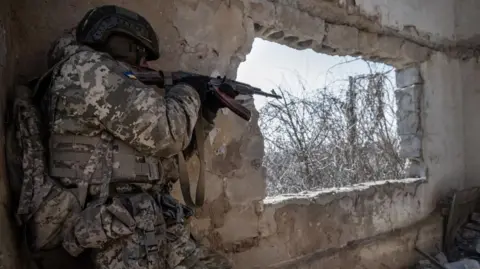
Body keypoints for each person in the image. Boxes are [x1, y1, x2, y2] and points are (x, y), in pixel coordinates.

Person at [31, 4, 232, 269]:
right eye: (141, 54)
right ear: (119, 42)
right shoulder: (86, 70)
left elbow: (170, 154)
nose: (146, 65)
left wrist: (206, 111)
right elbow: (168, 134)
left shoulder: (99, 82)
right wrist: (187, 91)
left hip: (142, 222)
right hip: (108, 230)